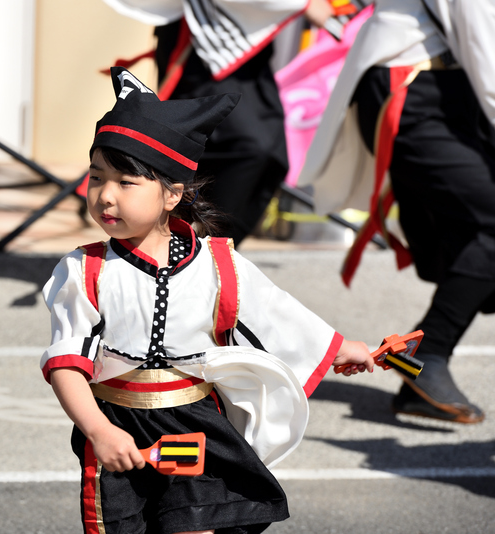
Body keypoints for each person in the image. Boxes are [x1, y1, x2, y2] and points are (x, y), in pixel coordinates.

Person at [41, 67, 375, 534]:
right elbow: (66, 363)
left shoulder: (219, 263)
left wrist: (342, 347)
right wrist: (98, 429)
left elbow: (277, 315)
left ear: (172, 194)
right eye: (97, 178)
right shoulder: (84, 270)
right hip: (117, 421)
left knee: (197, 525)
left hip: (197, 424)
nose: (105, 196)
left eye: (126, 182)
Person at [299, 0, 495, 424]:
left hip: (444, 90)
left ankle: (418, 371)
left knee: (475, 238)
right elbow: (487, 47)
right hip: (415, 88)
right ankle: (426, 359)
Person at [100, 0, 337, 245]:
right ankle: (183, 243)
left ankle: (211, 248)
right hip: (204, 41)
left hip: (248, 42)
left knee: (271, 157)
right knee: (245, 146)